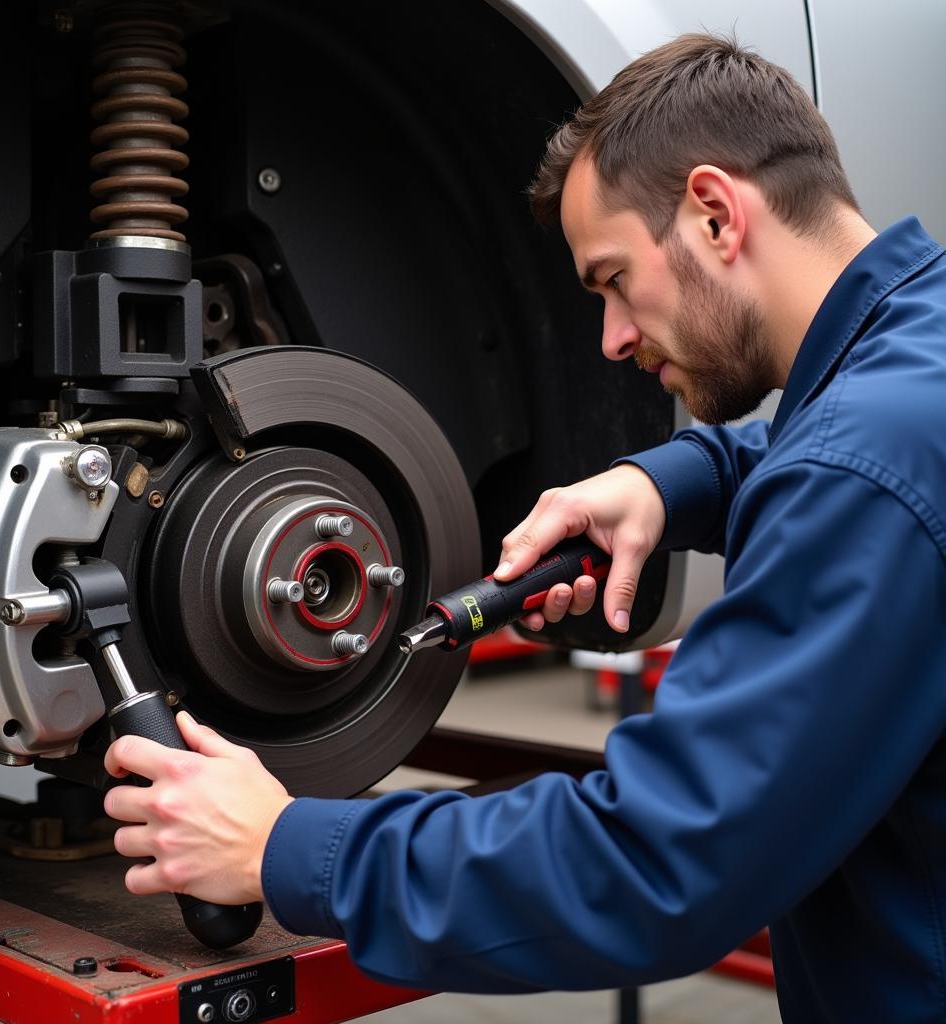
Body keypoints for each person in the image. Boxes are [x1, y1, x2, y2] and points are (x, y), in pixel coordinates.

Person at [103, 33, 946, 1020]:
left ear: (716, 214)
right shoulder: (910, 367)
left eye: (611, 279)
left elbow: (656, 859)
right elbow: (846, 474)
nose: (612, 340)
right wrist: (668, 480)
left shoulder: (866, 467)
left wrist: (283, 847)